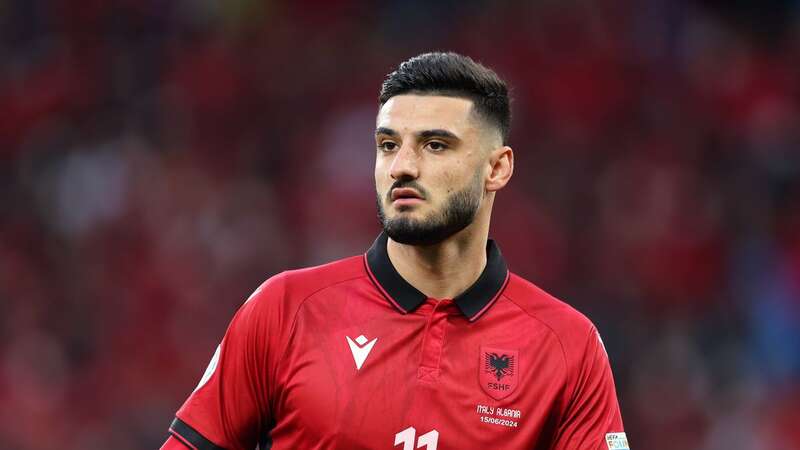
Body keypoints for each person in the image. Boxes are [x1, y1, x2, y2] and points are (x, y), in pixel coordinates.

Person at [161, 52, 629, 450]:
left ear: (497, 168)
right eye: (388, 145)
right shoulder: (285, 310)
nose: (402, 167)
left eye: (435, 145)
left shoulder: (568, 347)